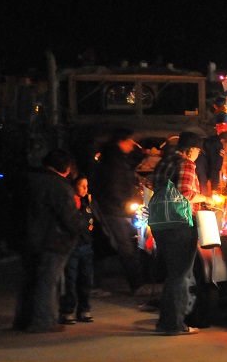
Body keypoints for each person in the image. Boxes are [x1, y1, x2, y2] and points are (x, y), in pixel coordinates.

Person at [19, 149, 86, 334]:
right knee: (47, 282)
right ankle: (43, 321)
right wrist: (83, 226)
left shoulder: (30, 180)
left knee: (31, 281)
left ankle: (24, 319)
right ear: (65, 167)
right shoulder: (58, 186)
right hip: (53, 240)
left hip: (31, 238)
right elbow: (69, 218)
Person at [149, 131, 209, 335]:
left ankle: (166, 322)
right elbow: (186, 194)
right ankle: (174, 324)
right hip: (179, 224)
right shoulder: (186, 164)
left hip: (160, 222)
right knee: (181, 275)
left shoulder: (165, 162)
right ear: (191, 149)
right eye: (198, 151)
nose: (198, 155)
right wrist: (206, 198)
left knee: (172, 274)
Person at [91, 128, 144, 291]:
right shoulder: (115, 161)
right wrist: (126, 204)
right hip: (115, 210)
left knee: (121, 245)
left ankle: (133, 281)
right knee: (125, 246)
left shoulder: (115, 158)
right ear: (122, 141)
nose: (132, 146)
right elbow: (115, 187)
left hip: (116, 209)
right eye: (131, 142)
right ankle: (135, 283)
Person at [60, 175, 95, 324]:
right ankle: (67, 311)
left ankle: (84, 309)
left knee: (86, 279)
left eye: (86, 186)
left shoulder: (87, 203)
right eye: (82, 186)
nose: (85, 189)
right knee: (70, 280)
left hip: (86, 246)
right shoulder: (71, 203)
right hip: (73, 247)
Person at [195, 130, 227, 194]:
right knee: (203, 191)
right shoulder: (219, 149)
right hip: (200, 169)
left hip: (198, 167)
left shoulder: (209, 142)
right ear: (222, 141)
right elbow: (215, 168)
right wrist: (214, 189)